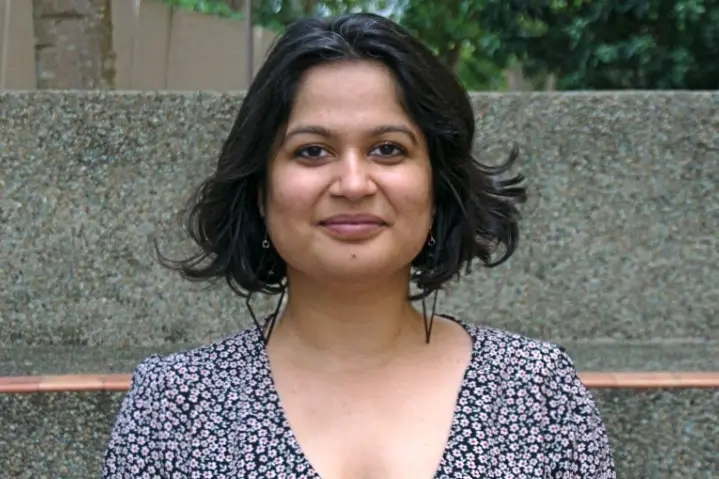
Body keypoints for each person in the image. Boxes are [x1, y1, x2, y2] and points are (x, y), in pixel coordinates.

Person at [101, 12, 615, 479]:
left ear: (438, 186)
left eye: (388, 150)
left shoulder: (538, 391)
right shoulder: (174, 404)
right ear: (261, 190)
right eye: (313, 151)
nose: (352, 183)